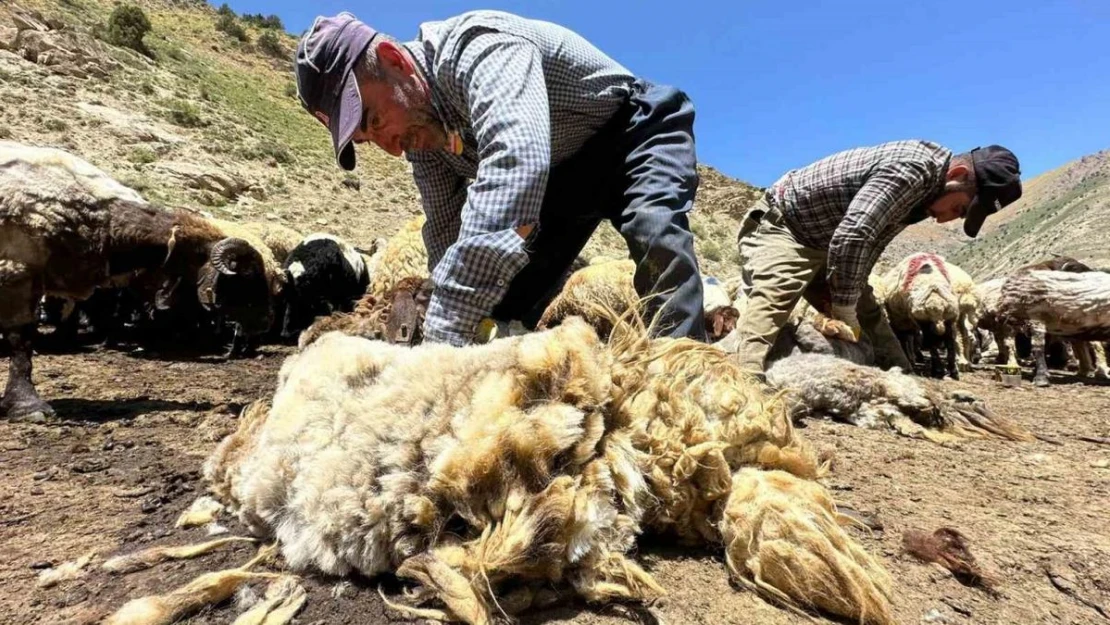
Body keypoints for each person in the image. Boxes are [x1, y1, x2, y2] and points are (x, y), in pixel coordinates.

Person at [294, 11, 707, 346]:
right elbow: (445, 232)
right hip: (561, 178)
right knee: (501, 303)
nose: (392, 148)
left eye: (375, 120)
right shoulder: (424, 141)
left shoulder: (480, 48)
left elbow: (515, 166)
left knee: (656, 234)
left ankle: (688, 377)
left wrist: (444, 332)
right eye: (370, 141)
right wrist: (444, 314)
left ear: (393, 60)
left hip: (633, 132)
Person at [733, 140, 1022, 374]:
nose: (947, 220)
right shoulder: (913, 169)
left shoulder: (923, 198)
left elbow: (871, 243)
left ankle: (902, 375)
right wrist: (844, 308)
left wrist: (853, 298)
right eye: (958, 209)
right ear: (956, 175)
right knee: (777, 294)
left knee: (868, 310)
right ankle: (743, 381)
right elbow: (855, 233)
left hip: (828, 243)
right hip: (785, 227)